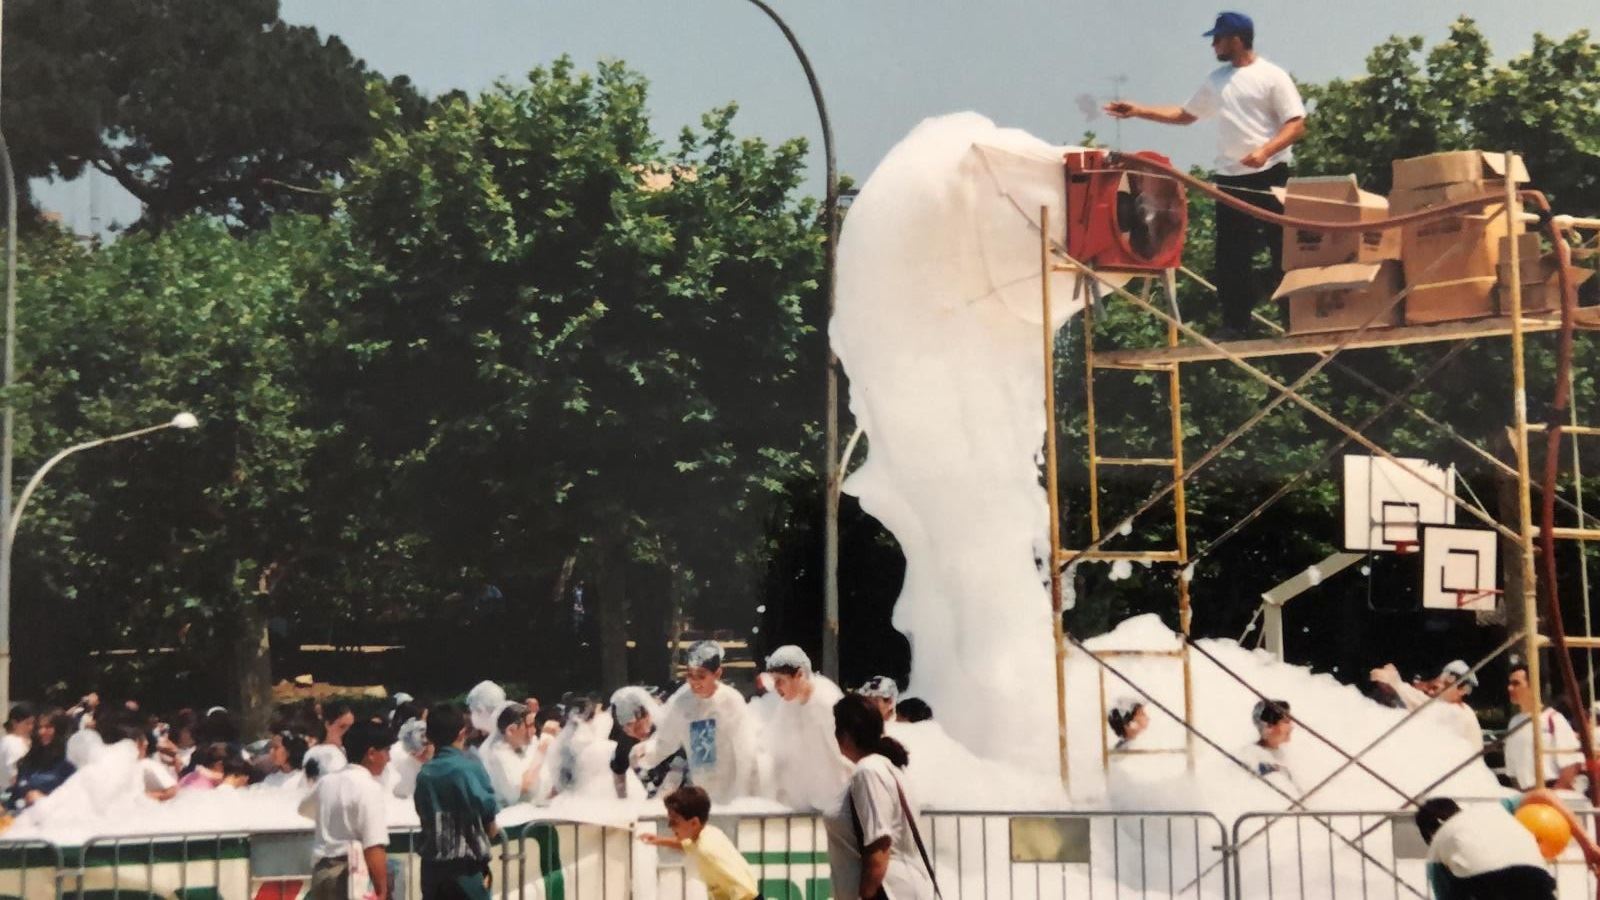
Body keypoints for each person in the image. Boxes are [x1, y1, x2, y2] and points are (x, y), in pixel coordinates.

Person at [1104, 11, 1306, 339]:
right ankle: (1237, 324)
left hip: (1270, 173)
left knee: (1283, 248)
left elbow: (1296, 124)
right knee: (1230, 255)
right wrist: (1140, 110)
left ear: (1237, 40)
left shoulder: (1272, 76)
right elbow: (1186, 115)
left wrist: (1265, 151)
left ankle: (1296, 320)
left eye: (1219, 38)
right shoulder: (1217, 80)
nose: (1213, 45)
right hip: (1230, 176)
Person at [824, 695, 936, 900]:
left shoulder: (869, 771)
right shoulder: (887, 767)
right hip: (898, 885)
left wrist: (865, 894)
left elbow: (880, 845)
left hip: (887, 890)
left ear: (846, 734)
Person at [1416, 788, 1600, 899]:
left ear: (1429, 835)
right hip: (1533, 873)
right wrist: (1587, 845)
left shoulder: (1437, 846)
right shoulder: (1495, 810)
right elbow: (1544, 794)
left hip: (1485, 882)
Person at [637, 641, 756, 803]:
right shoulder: (682, 700)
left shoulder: (732, 702)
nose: (695, 682)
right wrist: (645, 754)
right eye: (690, 675)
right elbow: (666, 741)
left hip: (731, 792)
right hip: (700, 793)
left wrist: (744, 795)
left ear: (717, 674)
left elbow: (746, 751)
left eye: (701, 675)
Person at [413, 703, 500, 900]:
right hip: (466, 871)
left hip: (432, 870)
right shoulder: (469, 769)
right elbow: (489, 820)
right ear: (462, 733)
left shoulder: (424, 774)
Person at [299, 721, 394, 900]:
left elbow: (304, 809)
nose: (389, 758)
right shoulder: (368, 788)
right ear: (372, 753)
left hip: (322, 875)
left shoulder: (326, 782)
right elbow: (373, 846)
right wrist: (382, 891)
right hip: (350, 877)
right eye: (386, 751)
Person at [765, 645, 852, 812]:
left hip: (836, 803)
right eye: (773, 681)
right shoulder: (787, 704)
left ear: (799, 675)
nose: (775, 687)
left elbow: (846, 754)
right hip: (803, 802)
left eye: (780, 681)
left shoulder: (826, 702)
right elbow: (775, 749)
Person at [639, 785, 758, 900]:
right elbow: (686, 845)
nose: (670, 826)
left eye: (674, 822)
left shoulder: (707, 849)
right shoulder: (706, 834)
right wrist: (658, 840)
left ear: (694, 823)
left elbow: (745, 888)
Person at [1369, 660, 1484, 750]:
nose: (1439, 689)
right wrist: (1396, 684)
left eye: (1447, 685)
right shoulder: (1453, 709)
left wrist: (1396, 683)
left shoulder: (1458, 713)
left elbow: (1424, 705)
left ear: (1463, 690)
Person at [1504, 662, 1583, 789]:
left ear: (1533, 685)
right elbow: (1512, 771)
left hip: (1552, 793)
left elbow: (1571, 765)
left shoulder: (1553, 719)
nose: (1510, 688)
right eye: (1510, 683)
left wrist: (1551, 796)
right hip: (1527, 795)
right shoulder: (1514, 723)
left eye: (1516, 683)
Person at [9, 712, 74, 811]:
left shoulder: (70, 762)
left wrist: (46, 800)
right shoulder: (28, 760)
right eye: (39, 727)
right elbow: (14, 798)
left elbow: (77, 801)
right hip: (21, 821)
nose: (41, 732)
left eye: (48, 727)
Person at [482, 702, 543, 807]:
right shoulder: (497, 754)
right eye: (530, 726)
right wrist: (542, 750)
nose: (534, 730)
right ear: (511, 730)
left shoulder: (525, 745)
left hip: (530, 811)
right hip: (509, 816)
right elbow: (524, 788)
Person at [1237, 698, 1300, 793]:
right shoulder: (1251, 757)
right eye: (1286, 722)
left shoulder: (1284, 755)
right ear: (1269, 726)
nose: (1291, 727)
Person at [382, 718, 432, 799]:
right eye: (415, 752)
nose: (423, 755)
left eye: (427, 745)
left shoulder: (443, 761)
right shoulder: (397, 757)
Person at [0, 702, 35, 789]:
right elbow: (15, 775)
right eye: (27, 723)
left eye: (32, 723)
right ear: (14, 723)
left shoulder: (6, 741)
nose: (31, 727)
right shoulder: (12, 744)